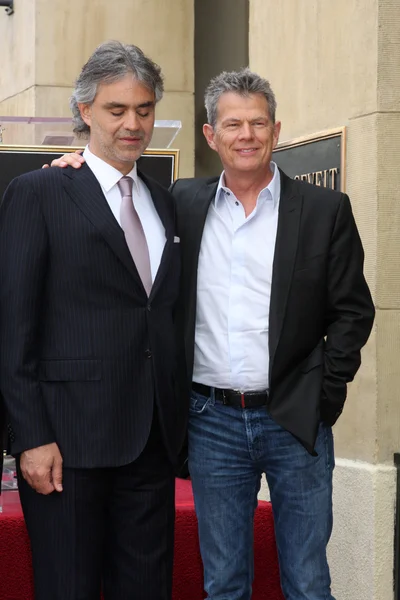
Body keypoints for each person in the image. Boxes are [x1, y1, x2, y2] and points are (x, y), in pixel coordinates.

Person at [49, 68, 375, 600]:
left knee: (309, 581)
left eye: (258, 123)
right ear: (211, 134)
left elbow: (352, 313)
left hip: (295, 418)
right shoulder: (181, 203)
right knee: (223, 583)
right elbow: (112, 193)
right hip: (211, 423)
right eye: (233, 124)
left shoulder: (323, 210)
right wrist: (76, 165)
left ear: (276, 130)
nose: (246, 135)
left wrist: (324, 394)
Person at [0, 40, 187, 600]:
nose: (133, 124)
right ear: (84, 112)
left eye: (145, 109)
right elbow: (13, 327)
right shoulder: (38, 193)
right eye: (117, 110)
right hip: (67, 445)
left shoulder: (164, 201)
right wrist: (31, 436)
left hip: (151, 442)